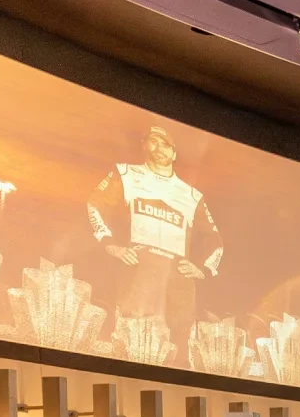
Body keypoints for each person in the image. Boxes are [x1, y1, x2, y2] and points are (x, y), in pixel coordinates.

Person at [87, 125, 223, 334]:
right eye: (154, 141)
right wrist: (110, 244)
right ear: (145, 145)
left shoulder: (191, 195)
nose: (160, 148)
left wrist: (203, 269)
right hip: (137, 274)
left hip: (176, 283)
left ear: (174, 153)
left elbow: (215, 239)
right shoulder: (126, 174)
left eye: (166, 144)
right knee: (129, 337)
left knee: (178, 341)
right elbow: (96, 204)